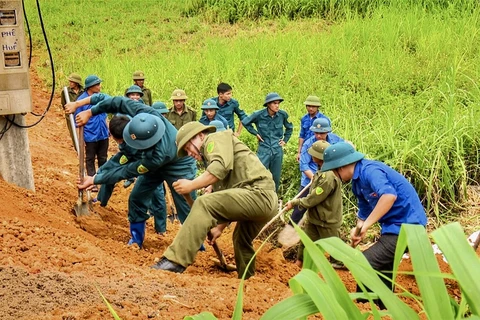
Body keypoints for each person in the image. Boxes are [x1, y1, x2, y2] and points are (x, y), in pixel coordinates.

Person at [68, 95, 198, 248]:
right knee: (136, 198)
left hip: (179, 163)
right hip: (154, 163)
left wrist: (95, 180)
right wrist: (90, 112)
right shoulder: (145, 113)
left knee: (186, 205)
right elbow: (118, 102)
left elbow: (126, 171)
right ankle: (137, 240)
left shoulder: (156, 156)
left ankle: (197, 245)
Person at [152, 122, 278, 279]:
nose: (189, 153)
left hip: (258, 194)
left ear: (200, 135)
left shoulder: (214, 139)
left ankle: (174, 261)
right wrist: (219, 228)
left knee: (203, 203)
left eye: (188, 147)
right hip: (264, 201)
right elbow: (229, 197)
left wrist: (190, 185)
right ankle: (247, 279)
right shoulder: (219, 155)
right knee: (241, 239)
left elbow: (219, 169)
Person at [320, 142, 427, 307]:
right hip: (392, 229)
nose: (334, 174)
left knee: (365, 263)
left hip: (408, 227)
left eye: (334, 170)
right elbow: (364, 213)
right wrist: (358, 230)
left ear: (342, 166)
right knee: (383, 270)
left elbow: (389, 196)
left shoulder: (370, 171)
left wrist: (367, 225)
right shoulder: (356, 183)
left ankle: (365, 308)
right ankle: (385, 309)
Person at [284, 140, 343, 268]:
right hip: (315, 218)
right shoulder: (321, 170)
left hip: (327, 220)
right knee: (306, 243)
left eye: (313, 154)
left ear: (320, 157)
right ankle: (298, 264)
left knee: (336, 251)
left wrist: (295, 203)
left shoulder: (328, 177)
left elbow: (313, 199)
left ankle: (338, 273)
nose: (311, 156)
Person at [290, 118, 344, 224]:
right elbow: (304, 165)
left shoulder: (335, 140)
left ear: (327, 131)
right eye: (316, 133)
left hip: (329, 180)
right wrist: (315, 179)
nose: (319, 136)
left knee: (327, 206)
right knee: (300, 207)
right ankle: (291, 228)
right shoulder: (308, 144)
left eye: (322, 133)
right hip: (310, 180)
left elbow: (344, 150)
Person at [242, 92, 293, 192]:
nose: (277, 105)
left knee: (276, 177)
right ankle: (257, 195)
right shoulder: (259, 114)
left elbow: (289, 128)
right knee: (258, 174)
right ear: (268, 104)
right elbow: (245, 122)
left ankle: (274, 197)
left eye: (278, 103)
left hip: (277, 150)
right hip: (264, 149)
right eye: (274, 103)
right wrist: (255, 133)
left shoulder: (282, 115)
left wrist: (285, 140)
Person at [75, 75, 109, 192]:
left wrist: (108, 129)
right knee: (90, 159)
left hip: (102, 134)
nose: (100, 87)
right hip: (90, 135)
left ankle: (103, 180)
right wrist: (79, 141)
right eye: (97, 84)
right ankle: (92, 182)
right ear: (91, 87)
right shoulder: (81, 101)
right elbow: (77, 123)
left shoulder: (101, 98)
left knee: (103, 158)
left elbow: (105, 116)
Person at [296, 95, 331, 162]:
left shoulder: (324, 119)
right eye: (309, 106)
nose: (311, 109)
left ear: (317, 107)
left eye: (313, 106)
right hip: (306, 147)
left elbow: (328, 136)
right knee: (304, 166)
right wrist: (299, 152)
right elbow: (302, 135)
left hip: (319, 148)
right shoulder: (304, 118)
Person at [61, 73, 84, 152]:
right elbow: (64, 105)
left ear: (77, 83)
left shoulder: (83, 91)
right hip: (71, 117)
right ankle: (78, 151)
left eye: (72, 82)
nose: (70, 83)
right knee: (74, 135)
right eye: (69, 81)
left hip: (82, 115)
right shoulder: (65, 92)